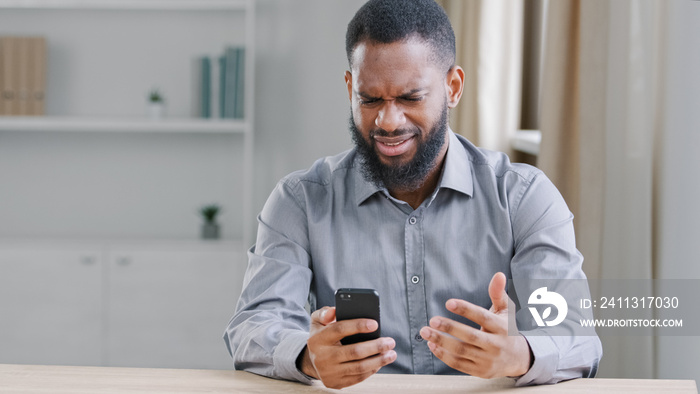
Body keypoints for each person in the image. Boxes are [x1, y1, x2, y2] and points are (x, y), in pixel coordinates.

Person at [224, 0, 602, 389]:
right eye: (370, 99)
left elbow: (578, 338)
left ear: (452, 88)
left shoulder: (524, 197)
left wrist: (519, 354)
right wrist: (307, 356)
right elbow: (253, 326)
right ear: (351, 88)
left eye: (410, 97)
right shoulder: (299, 201)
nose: (388, 121)